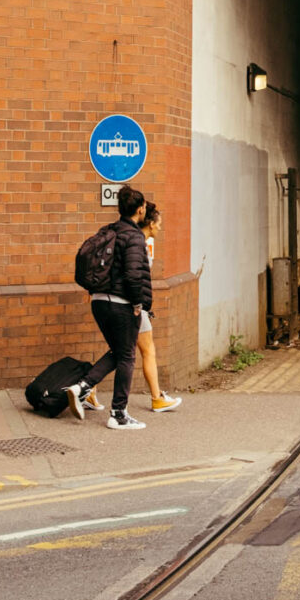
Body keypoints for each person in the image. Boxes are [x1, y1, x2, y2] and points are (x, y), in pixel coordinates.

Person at [66, 184, 150, 429]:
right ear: (140, 209)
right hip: (121, 304)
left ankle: (81, 387)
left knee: (118, 351)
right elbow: (134, 275)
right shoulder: (134, 236)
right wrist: (137, 303)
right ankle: (118, 414)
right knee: (127, 356)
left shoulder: (108, 230)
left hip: (99, 301)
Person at [137, 201, 181, 413]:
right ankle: (157, 398)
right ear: (151, 224)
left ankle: (88, 386)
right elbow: (137, 278)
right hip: (135, 307)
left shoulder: (140, 243)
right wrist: (140, 305)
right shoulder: (139, 246)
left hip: (130, 306)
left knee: (120, 352)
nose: (160, 228)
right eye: (159, 223)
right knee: (147, 350)